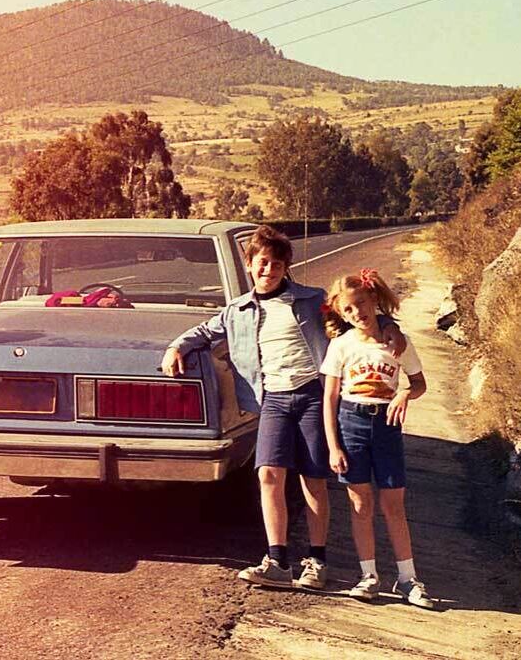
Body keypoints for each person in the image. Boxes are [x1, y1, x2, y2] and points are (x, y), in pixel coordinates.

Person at [161, 225, 403, 590]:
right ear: (250, 264)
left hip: (311, 396)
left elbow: (353, 317)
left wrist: (389, 326)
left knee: (313, 479)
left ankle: (316, 561)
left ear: (286, 266)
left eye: (276, 264)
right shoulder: (237, 310)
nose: (268, 270)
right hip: (272, 398)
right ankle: (277, 561)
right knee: (268, 475)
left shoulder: (311, 300)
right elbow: (204, 332)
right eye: (262, 263)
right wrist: (175, 347)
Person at [320, 268, 434, 608]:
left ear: (373, 300)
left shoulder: (396, 342)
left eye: (361, 304)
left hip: (386, 425)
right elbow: (330, 397)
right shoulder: (341, 346)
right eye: (348, 310)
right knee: (360, 504)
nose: (358, 313)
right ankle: (368, 575)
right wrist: (333, 445)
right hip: (350, 424)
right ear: (341, 315)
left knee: (393, 505)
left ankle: (408, 578)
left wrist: (404, 394)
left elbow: (419, 383)